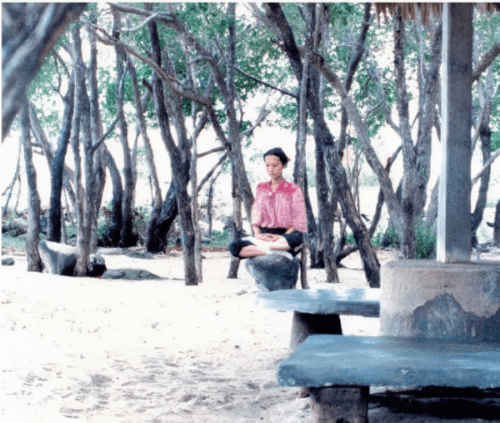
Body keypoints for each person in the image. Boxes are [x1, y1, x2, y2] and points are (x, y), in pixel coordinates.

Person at [229, 147, 307, 261]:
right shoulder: (261, 188)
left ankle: (265, 249)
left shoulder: (293, 189)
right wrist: (258, 235)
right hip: (265, 235)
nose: (271, 169)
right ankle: (273, 251)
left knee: (296, 238)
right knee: (234, 247)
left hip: (286, 235)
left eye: (275, 165)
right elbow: (256, 216)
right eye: (267, 165)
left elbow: (298, 221)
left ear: (284, 165)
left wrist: (281, 237)